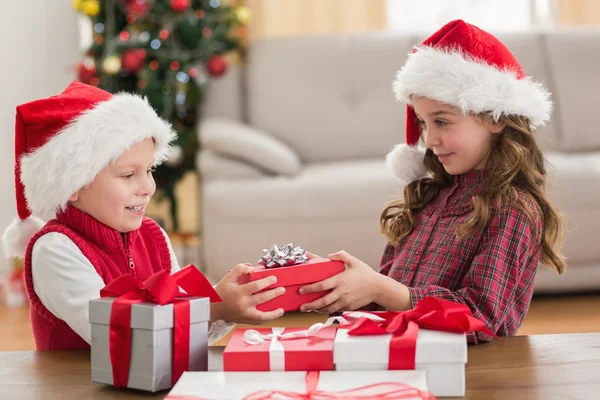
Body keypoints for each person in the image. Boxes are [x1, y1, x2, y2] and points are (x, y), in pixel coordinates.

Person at [298, 20, 567, 343]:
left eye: (442, 121)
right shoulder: (430, 198)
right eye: (424, 123)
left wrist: (381, 288)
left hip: (470, 376)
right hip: (407, 361)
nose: (430, 139)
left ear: (495, 118)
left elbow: (481, 319)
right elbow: (389, 303)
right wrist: (340, 284)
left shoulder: (511, 209)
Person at [2, 81, 285, 350]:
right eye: (128, 175)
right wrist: (214, 309)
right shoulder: (54, 250)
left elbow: (179, 332)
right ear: (73, 183)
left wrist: (224, 303)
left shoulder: (153, 236)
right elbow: (119, 334)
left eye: (149, 170)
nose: (148, 188)